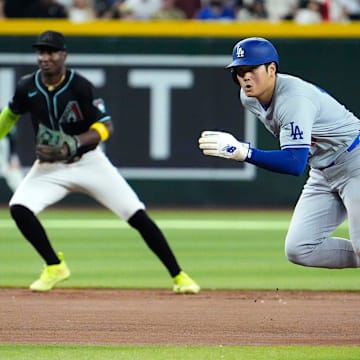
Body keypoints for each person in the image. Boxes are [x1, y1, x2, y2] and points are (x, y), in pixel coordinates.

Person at [0, 30, 200, 294]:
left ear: (63, 55)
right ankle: (54, 266)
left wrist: (77, 141)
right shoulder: (27, 86)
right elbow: (9, 117)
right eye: (41, 52)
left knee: (136, 215)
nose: (45, 57)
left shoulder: (79, 85)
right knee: (19, 208)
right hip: (50, 168)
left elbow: (105, 125)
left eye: (51, 52)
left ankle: (179, 275)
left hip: (89, 162)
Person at [199, 37, 360, 270]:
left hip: (355, 160)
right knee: (300, 249)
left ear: (271, 69)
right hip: (323, 169)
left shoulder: (294, 99)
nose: (245, 77)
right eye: (239, 70)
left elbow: (294, 164)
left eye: (252, 69)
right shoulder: (249, 98)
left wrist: (244, 152)